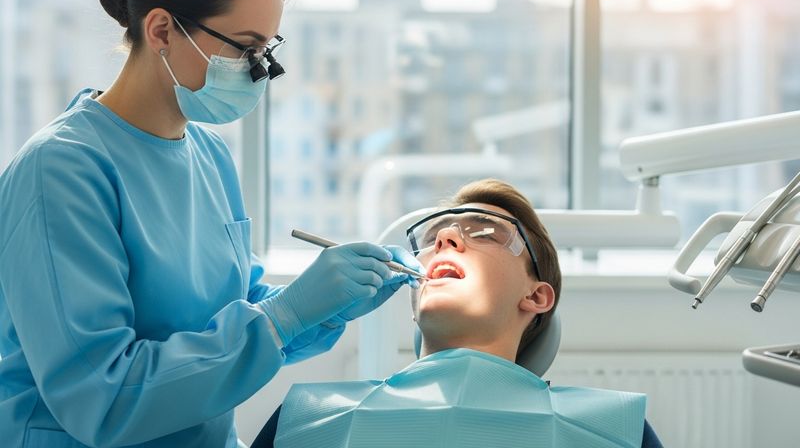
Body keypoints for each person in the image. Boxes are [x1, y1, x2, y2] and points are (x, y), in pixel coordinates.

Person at [0, 0, 423, 448]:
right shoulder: (60, 171)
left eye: (266, 50)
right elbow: (100, 398)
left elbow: (231, 312)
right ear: (161, 30)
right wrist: (283, 317)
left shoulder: (208, 153)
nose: (258, 69)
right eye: (244, 47)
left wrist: (322, 304)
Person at [252, 178, 663, 447]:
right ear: (413, 300)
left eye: (486, 232)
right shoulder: (305, 418)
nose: (446, 237)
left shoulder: (614, 429)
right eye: (433, 238)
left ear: (537, 297)